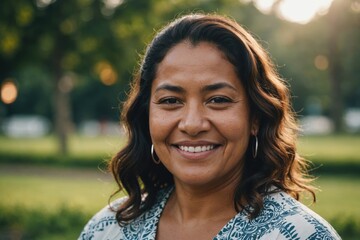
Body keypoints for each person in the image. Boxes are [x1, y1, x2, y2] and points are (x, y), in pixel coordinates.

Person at [79, 13, 341, 240]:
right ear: (146, 115)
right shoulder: (106, 229)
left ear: (256, 118)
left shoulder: (302, 234)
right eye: (170, 100)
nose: (192, 124)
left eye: (218, 100)